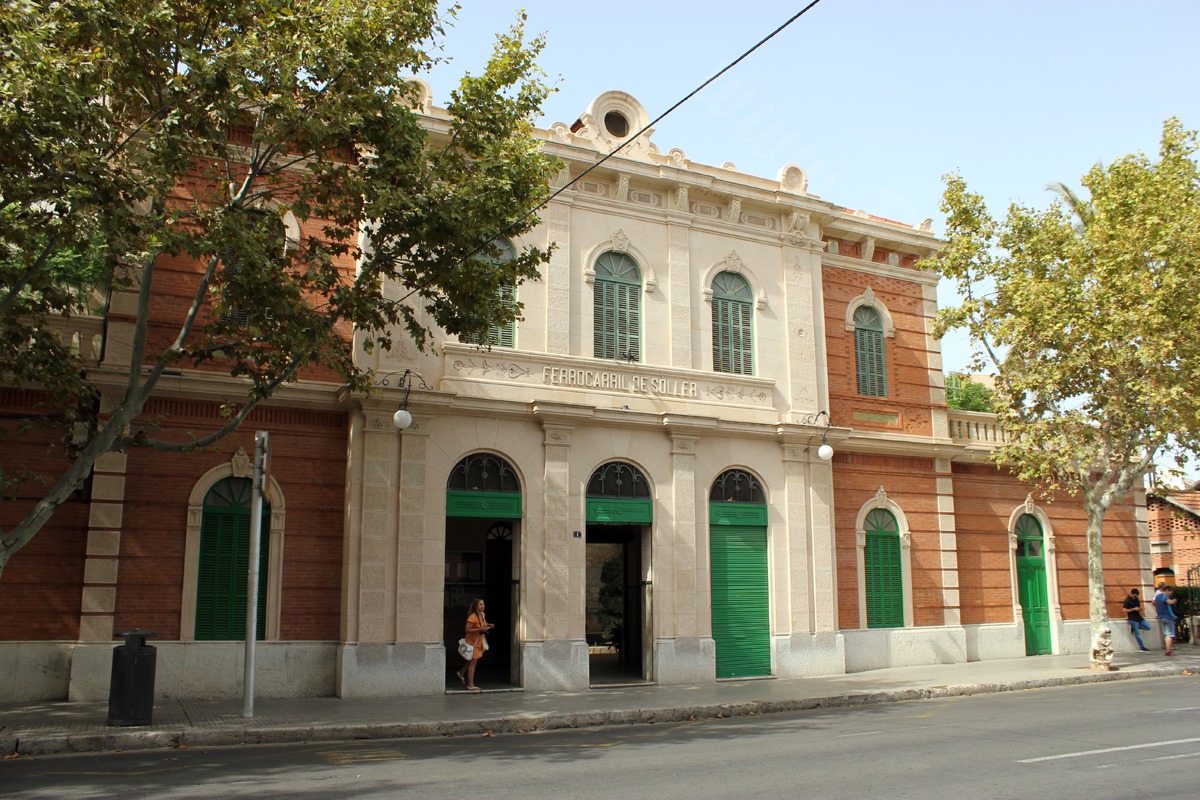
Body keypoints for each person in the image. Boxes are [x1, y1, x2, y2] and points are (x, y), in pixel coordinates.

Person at [455, 598, 494, 690]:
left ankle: (461, 673)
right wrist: (479, 629)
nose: (483, 606)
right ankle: (470, 685)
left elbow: (482, 624)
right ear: (476, 606)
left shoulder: (482, 614)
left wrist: (488, 625)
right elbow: (467, 630)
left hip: (479, 642)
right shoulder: (472, 617)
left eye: (483, 604)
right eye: (480, 605)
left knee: (471, 660)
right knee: (473, 662)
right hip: (472, 642)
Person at [1152, 582, 1178, 656]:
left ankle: (1168, 650)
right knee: (1170, 634)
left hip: (1161, 617)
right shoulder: (1165, 596)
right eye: (1170, 592)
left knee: (1167, 634)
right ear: (1166, 590)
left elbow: (1154, 603)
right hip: (1168, 617)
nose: (1170, 594)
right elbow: (1169, 602)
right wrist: (1174, 601)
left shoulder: (1157, 597)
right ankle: (1168, 651)